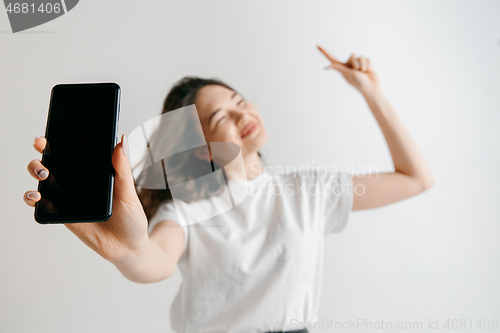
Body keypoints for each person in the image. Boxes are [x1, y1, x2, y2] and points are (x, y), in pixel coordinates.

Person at [24, 46, 434, 333]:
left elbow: (415, 179)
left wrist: (371, 91)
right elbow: (156, 261)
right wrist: (127, 252)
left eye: (239, 100)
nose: (242, 112)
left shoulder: (306, 190)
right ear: (201, 150)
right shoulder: (185, 211)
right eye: (221, 116)